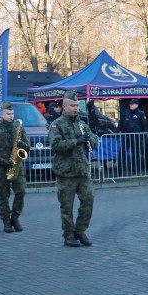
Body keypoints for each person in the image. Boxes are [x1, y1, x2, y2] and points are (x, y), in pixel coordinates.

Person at [49, 91, 99, 247]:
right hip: (66, 172)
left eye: (77, 105)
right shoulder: (57, 124)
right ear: (64, 106)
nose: (76, 108)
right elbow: (55, 145)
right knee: (67, 206)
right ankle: (68, 234)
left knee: (89, 199)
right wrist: (75, 141)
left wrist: (90, 140)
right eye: (73, 105)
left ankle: (80, 230)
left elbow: (93, 138)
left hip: (82, 170)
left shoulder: (82, 124)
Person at [0, 102, 30, 232]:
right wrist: (2, 161)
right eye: (8, 114)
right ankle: (6, 221)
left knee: (21, 192)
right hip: (1, 168)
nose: (11, 116)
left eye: (12, 114)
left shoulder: (18, 128)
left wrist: (23, 146)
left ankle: (15, 218)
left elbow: (28, 145)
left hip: (17, 166)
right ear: (2, 114)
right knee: (3, 196)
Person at [119, 99, 148, 175]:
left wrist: (144, 136)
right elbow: (121, 123)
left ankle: (135, 169)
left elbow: (144, 125)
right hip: (126, 136)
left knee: (136, 154)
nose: (130, 105)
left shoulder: (140, 113)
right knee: (122, 153)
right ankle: (120, 170)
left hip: (136, 137)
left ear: (136, 105)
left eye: (132, 104)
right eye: (130, 104)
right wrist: (117, 131)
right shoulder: (126, 112)